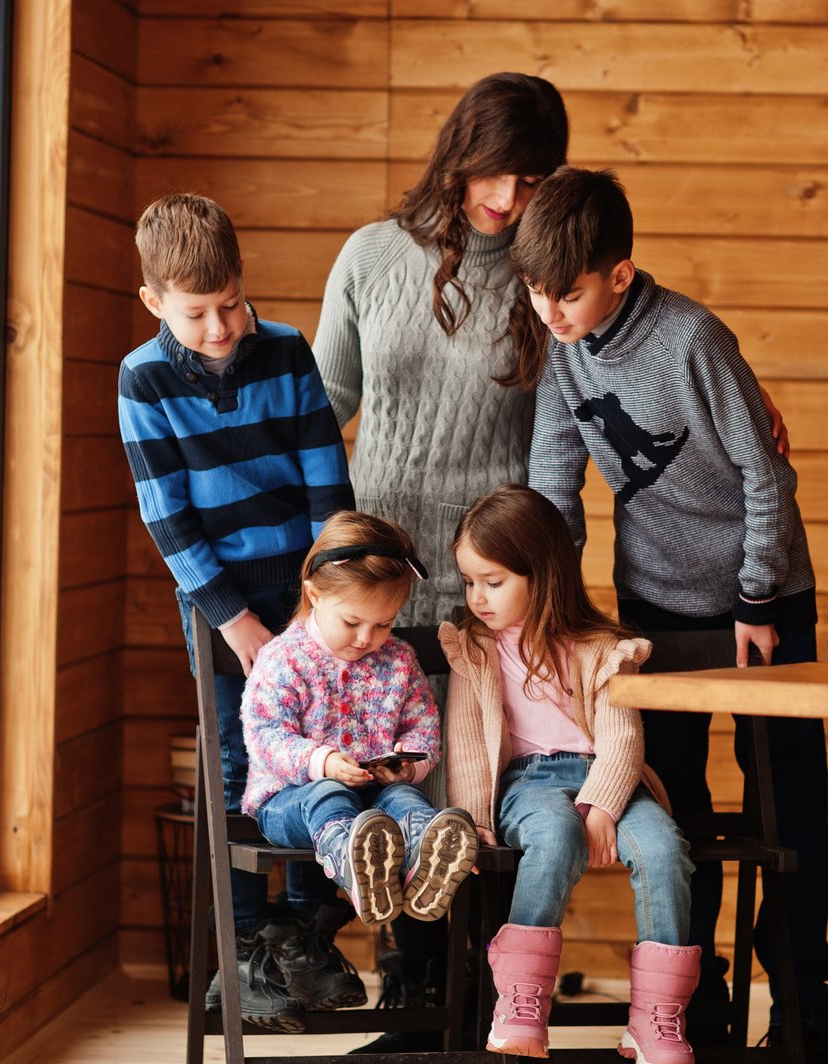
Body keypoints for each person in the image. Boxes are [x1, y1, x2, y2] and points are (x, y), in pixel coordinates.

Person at [512, 167, 828, 1057]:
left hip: (760, 605)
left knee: (786, 808)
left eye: (566, 293)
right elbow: (553, 484)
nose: (551, 312)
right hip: (654, 605)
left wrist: (757, 595)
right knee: (677, 808)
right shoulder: (564, 353)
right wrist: (556, 605)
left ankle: (806, 1007)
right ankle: (694, 1006)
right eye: (538, 293)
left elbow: (767, 474)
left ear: (619, 274)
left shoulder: (693, 338)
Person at [311, 72, 569, 1048]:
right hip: (377, 583)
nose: (506, 197)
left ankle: (482, 1005)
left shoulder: (544, 277)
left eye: (531, 178)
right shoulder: (374, 255)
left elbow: (598, 376)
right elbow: (322, 401)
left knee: (479, 797)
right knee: (395, 789)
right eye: (495, 170)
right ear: (459, 152)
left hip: (490, 593)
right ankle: (414, 1006)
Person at [117, 192, 356, 1030]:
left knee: (314, 755)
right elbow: (167, 516)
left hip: (306, 602)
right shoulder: (142, 380)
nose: (221, 328)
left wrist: (317, 604)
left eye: (231, 305)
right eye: (197, 314)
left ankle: (300, 926)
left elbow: (329, 483)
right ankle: (247, 938)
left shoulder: (288, 354)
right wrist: (236, 621)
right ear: (154, 303)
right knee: (238, 764)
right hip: (221, 613)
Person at [440, 485, 698, 1064]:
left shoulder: (601, 647)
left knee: (664, 850)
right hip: (527, 785)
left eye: (494, 581)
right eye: (470, 581)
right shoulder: (474, 650)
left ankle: (655, 1020)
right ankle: (521, 1002)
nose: (477, 597)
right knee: (552, 838)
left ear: (543, 572)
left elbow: (623, 738)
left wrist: (602, 807)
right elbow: (468, 748)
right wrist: (475, 822)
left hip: (607, 777)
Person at [241, 508, 481, 930]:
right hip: (289, 801)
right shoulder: (284, 658)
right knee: (327, 795)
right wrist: (323, 762)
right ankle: (352, 859)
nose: (367, 638)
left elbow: (423, 726)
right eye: (352, 622)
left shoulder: (399, 661)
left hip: (376, 801)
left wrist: (408, 764)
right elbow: (265, 734)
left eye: (384, 624)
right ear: (315, 594)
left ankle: (424, 856)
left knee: (407, 801)